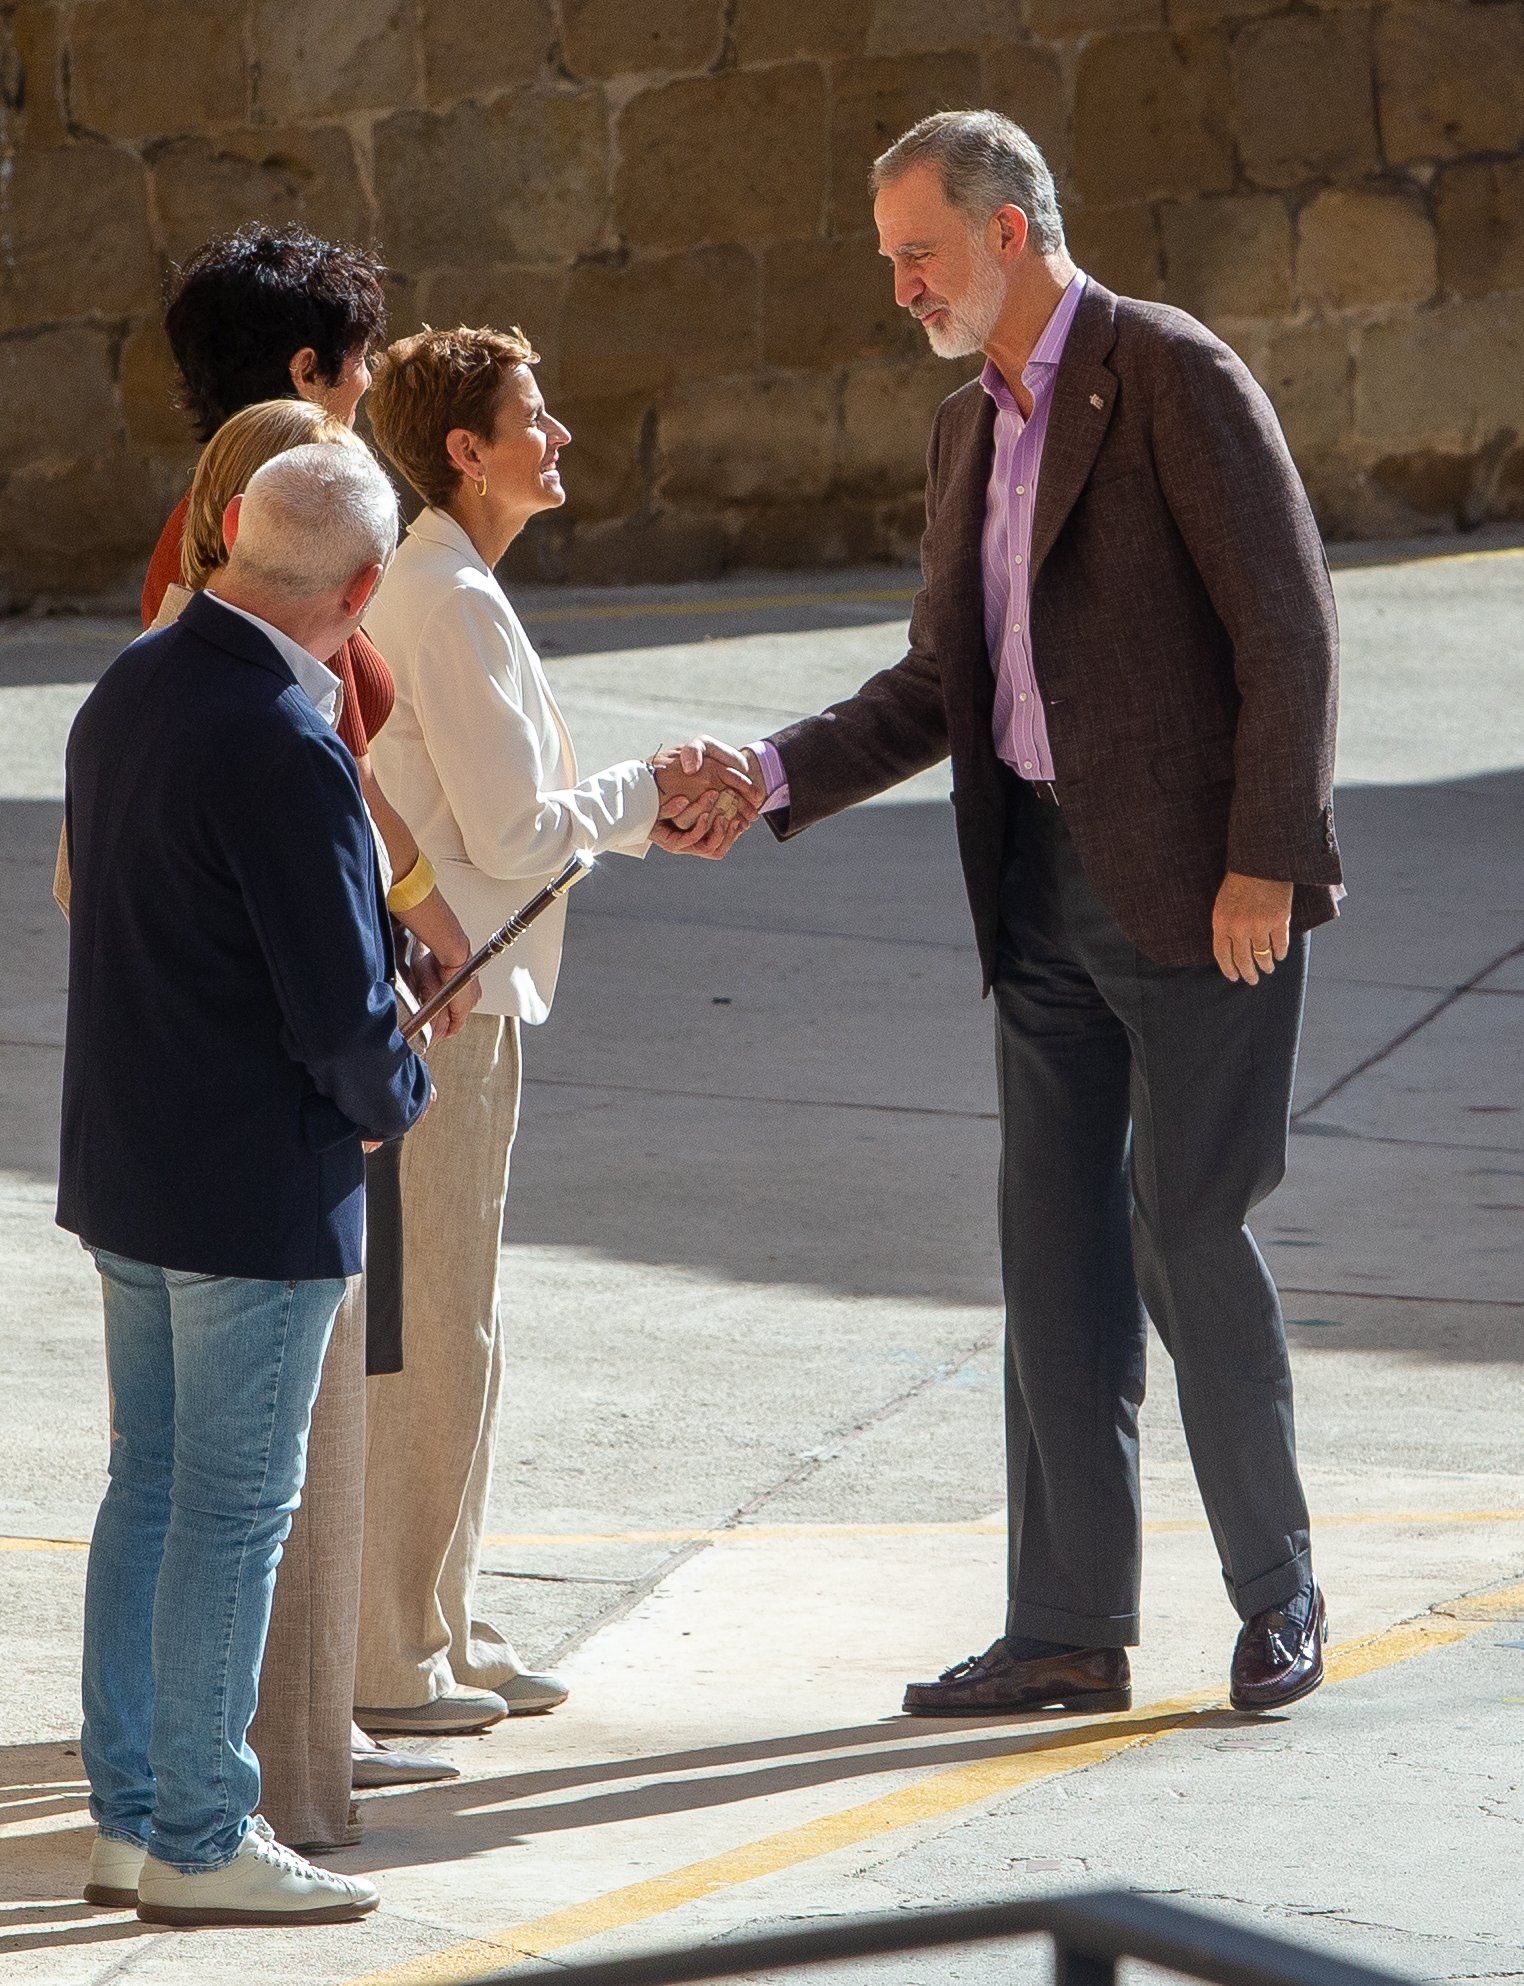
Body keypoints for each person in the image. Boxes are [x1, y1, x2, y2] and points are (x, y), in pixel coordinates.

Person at [679, 111, 1343, 1718]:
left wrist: (1268, 853)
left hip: (1202, 898)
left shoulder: (1169, 372)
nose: (902, 284)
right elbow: (937, 683)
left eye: (921, 251)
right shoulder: (965, 428)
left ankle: (1279, 1590)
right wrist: (765, 771)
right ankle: (1065, 1628)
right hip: (1036, 889)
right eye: (893, 258)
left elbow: (1290, 628)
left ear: (1012, 233)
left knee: (1187, 1232)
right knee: (1053, 1258)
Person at [354, 324, 745, 1736]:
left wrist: (644, 806)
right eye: (533, 413)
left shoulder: (454, 584)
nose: (559, 432)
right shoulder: (446, 596)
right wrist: (652, 788)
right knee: (433, 1328)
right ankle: (395, 1649)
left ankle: (441, 1621)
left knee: (461, 1325)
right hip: (447, 999)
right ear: (465, 450)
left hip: (476, 990)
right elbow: (516, 831)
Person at [63, 444, 432, 1925]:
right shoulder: (288, 732)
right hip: (249, 1188)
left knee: (149, 1490)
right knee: (226, 1509)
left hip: (137, 1166)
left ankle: (132, 1812)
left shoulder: (129, 685)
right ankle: (204, 1829)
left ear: (227, 536)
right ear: (359, 590)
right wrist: (393, 1091)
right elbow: (339, 1013)